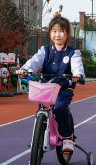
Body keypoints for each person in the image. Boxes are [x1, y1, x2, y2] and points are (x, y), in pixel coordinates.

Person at [18, 16, 85, 157]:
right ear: (50, 33)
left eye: (61, 31)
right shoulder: (45, 51)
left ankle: (67, 138)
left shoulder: (73, 53)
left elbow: (77, 65)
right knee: (39, 115)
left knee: (60, 109)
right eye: (54, 31)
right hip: (46, 90)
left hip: (62, 89)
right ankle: (37, 154)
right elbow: (34, 61)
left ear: (67, 34)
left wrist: (77, 75)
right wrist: (24, 70)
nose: (57, 35)